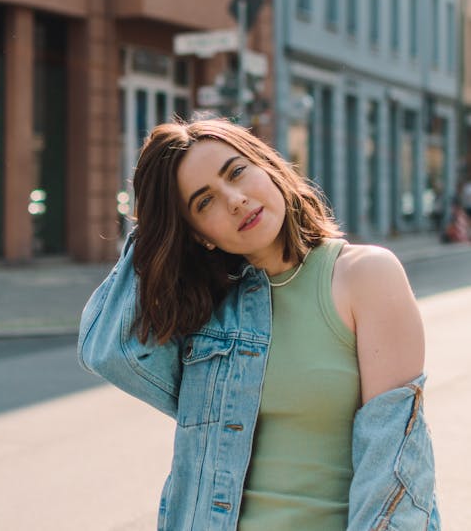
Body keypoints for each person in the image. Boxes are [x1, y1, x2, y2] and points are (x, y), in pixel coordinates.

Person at [78, 118, 440, 531]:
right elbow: (109, 350)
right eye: (203, 202)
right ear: (200, 237)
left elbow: (393, 464)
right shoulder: (209, 313)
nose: (234, 200)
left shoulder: (364, 275)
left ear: (266, 165)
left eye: (236, 172)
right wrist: (153, 224)